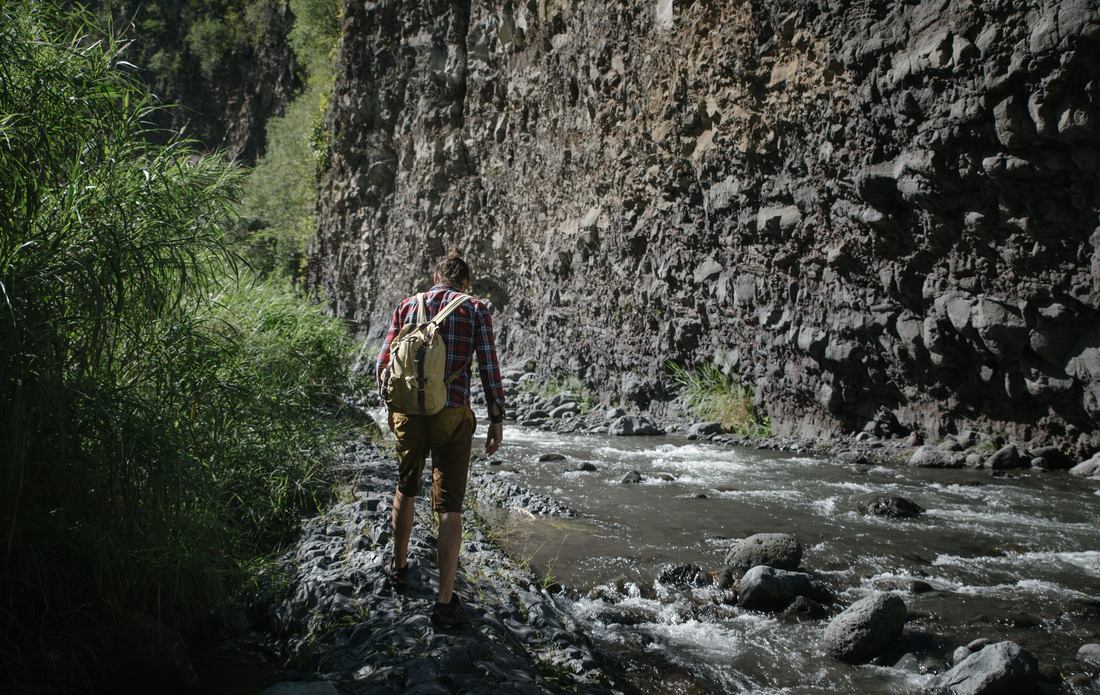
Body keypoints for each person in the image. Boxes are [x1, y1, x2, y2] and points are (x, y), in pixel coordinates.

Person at [375, 249, 506, 626]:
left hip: (408, 415)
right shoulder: (476, 309)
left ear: (436, 278)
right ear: (466, 282)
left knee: (406, 487)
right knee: (450, 506)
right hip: (452, 414)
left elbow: (384, 363)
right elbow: (489, 367)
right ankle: (445, 602)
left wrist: (391, 408)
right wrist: (497, 417)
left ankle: (399, 567)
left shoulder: (407, 305)